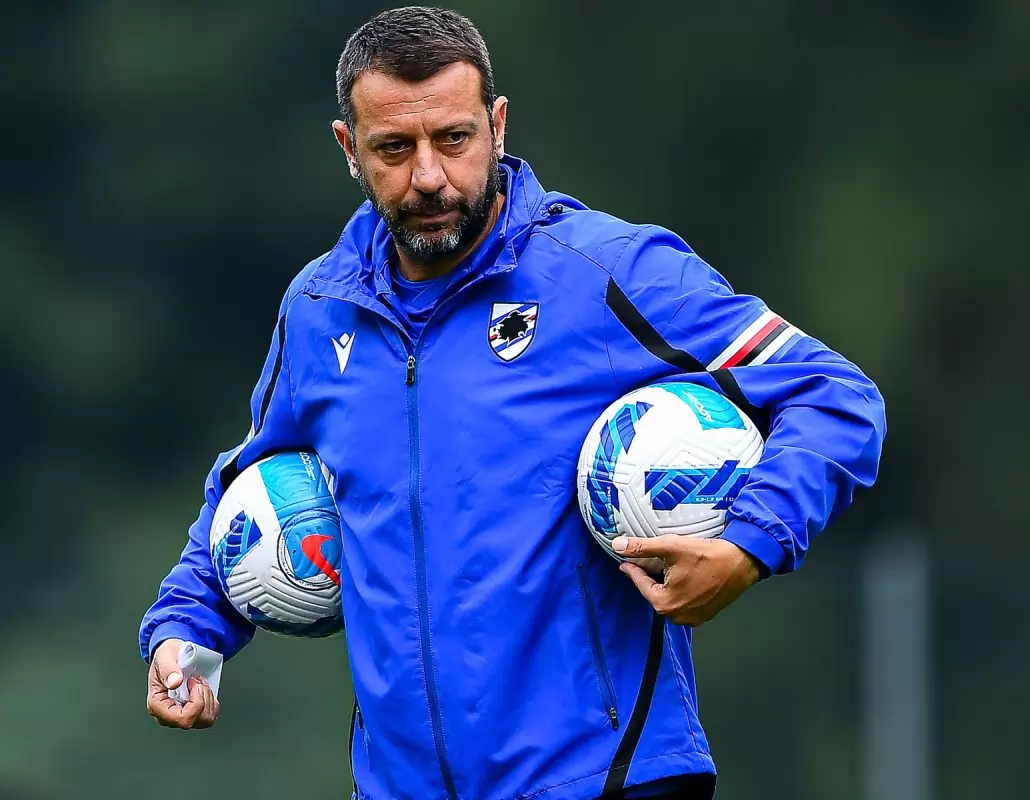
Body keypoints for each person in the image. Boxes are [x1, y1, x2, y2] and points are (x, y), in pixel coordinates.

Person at [139, 6, 886, 799]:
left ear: (496, 126)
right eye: (394, 148)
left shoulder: (608, 273)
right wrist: (186, 630)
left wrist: (748, 546)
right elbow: (252, 488)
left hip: (604, 781)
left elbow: (833, 394)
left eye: (453, 139)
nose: (429, 176)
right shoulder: (320, 309)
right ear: (348, 148)